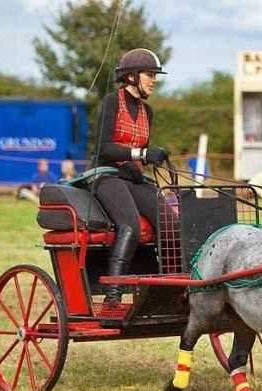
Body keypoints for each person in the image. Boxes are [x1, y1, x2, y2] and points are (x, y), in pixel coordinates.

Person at [92, 48, 170, 307]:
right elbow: (104, 148)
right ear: (132, 76)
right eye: (150, 74)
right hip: (106, 175)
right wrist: (142, 153)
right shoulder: (112, 102)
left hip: (132, 176)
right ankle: (113, 294)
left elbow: (139, 151)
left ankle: (169, 288)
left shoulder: (148, 112)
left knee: (171, 221)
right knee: (130, 226)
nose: (154, 80)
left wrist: (150, 157)